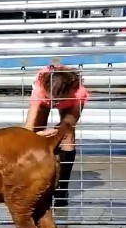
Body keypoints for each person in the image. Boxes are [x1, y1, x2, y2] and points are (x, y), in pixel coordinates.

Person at [23, 65, 88, 207]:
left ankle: (61, 190)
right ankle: (35, 183)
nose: (53, 104)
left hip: (68, 100)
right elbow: (28, 127)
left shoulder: (78, 93)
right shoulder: (40, 90)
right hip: (45, 95)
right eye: (50, 100)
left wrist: (58, 131)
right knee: (34, 133)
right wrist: (38, 135)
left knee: (68, 135)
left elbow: (71, 120)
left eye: (56, 101)